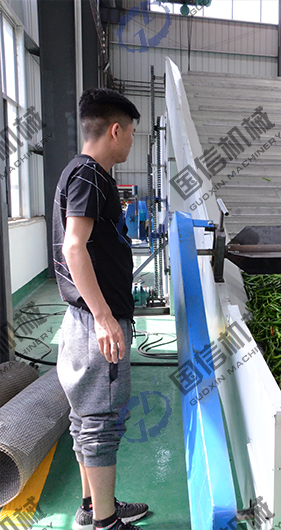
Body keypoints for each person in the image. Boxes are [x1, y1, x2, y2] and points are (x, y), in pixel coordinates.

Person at [53, 88, 149, 530]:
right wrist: (105, 318)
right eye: (131, 132)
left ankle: (94, 506)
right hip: (95, 323)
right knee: (101, 423)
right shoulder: (90, 175)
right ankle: (106, 523)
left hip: (82, 321)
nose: (131, 140)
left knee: (86, 421)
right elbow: (74, 247)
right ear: (115, 130)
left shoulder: (80, 172)